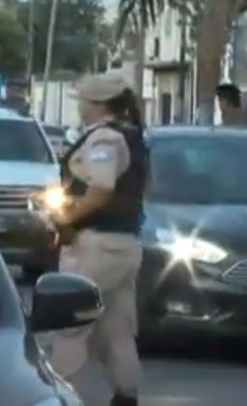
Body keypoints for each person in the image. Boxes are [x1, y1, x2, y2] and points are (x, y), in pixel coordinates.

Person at [47, 72, 147, 406]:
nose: (80, 107)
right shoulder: (130, 135)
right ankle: (126, 395)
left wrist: (67, 218)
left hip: (96, 245)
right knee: (117, 329)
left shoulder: (104, 139)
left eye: (83, 101)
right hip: (123, 244)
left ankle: (61, 396)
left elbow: (101, 189)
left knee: (69, 325)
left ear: (99, 104)